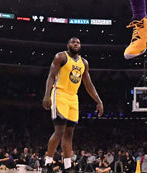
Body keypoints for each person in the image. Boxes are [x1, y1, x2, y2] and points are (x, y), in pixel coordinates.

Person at [42, 37, 104, 173]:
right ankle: (47, 164)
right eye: (73, 42)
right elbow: (51, 76)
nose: (75, 44)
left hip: (73, 97)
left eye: (78, 43)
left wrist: (99, 101)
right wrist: (47, 95)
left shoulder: (84, 63)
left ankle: (67, 166)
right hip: (59, 93)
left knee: (69, 133)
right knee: (59, 130)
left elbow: (88, 84)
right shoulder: (60, 57)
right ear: (68, 45)